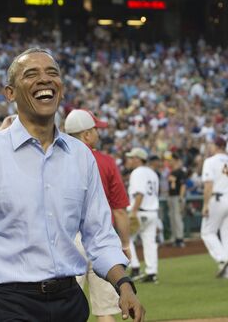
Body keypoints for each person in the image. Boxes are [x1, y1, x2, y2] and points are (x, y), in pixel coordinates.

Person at [0, 48, 144, 322]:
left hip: (69, 302)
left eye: (52, 73)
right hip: (8, 304)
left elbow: (100, 235)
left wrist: (124, 284)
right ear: (10, 93)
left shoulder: (81, 155)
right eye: (31, 74)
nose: (44, 79)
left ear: (61, 88)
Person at [64, 109, 132, 322]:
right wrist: (125, 244)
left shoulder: (56, 160)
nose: (98, 134)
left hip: (68, 240)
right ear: (86, 135)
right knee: (105, 311)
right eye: (95, 130)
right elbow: (119, 209)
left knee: (63, 309)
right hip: (101, 239)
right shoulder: (105, 161)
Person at [125, 147, 160, 283]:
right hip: (152, 212)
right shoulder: (152, 173)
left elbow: (140, 193)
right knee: (150, 242)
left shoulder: (138, 172)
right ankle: (152, 273)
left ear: (138, 159)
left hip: (139, 211)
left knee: (126, 239)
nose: (130, 160)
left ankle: (135, 268)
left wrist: (133, 211)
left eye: (131, 157)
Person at [200, 137, 228, 278]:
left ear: (217, 146)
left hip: (217, 198)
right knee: (226, 234)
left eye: (211, 144)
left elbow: (208, 185)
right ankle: (226, 271)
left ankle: (222, 259)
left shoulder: (210, 161)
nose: (209, 147)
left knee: (207, 232)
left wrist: (205, 205)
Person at [166, 153, 187, 248]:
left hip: (177, 196)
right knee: (172, 218)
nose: (169, 162)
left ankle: (180, 238)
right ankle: (175, 238)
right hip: (171, 197)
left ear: (175, 160)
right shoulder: (172, 172)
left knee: (177, 218)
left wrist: (181, 198)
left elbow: (183, 185)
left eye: (170, 160)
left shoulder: (180, 171)